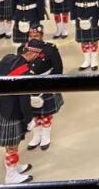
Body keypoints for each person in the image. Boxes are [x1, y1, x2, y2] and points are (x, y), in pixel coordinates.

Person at [0, 39, 45, 184]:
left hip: (0, 107)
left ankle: (13, 167)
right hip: (11, 113)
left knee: (11, 146)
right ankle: (11, 176)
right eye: (38, 55)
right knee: (12, 147)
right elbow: (24, 99)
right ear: (34, 53)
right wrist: (29, 120)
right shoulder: (25, 72)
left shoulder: (7, 58)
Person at [21, 23, 64, 151]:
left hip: (45, 85)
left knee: (46, 114)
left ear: (42, 35)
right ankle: (36, 135)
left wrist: (52, 86)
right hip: (29, 85)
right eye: (31, 35)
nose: (33, 37)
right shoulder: (22, 49)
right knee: (33, 114)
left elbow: (58, 69)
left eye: (36, 35)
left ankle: (45, 136)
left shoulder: (50, 49)